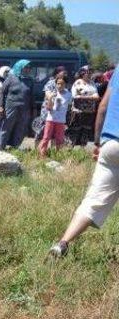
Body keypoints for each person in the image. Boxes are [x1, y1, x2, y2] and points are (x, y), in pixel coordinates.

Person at [49, 69, 119, 257]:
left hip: (110, 144)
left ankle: (62, 243)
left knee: (93, 200)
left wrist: (98, 142)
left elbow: (103, 106)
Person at [0, 59, 33, 150]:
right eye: (26, 67)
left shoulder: (29, 80)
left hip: (24, 108)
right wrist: (1, 106)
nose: (28, 69)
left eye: (29, 68)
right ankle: (0, 147)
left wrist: (34, 108)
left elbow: (31, 96)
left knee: (20, 127)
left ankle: (15, 147)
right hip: (11, 106)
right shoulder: (11, 78)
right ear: (20, 67)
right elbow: (2, 92)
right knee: (7, 126)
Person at [34, 66, 68, 145]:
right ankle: (37, 148)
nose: (65, 74)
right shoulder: (51, 82)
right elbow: (47, 94)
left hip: (58, 111)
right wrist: (54, 96)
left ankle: (52, 150)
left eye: (66, 73)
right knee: (43, 128)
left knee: (55, 130)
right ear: (57, 73)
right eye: (63, 73)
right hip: (48, 110)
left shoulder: (64, 83)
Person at [38, 76, 71, 157]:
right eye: (58, 84)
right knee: (46, 137)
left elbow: (69, 107)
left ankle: (58, 155)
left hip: (61, 120)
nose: (60, 85)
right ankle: (41, 155)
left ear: (65, 84)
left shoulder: (69, 95)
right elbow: (48, 108)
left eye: (62, 84)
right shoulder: (52, 93)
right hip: (50, 119)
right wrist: (50, 98)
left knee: (59, 139)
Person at [67, 66, 100, 146]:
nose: (89, 74)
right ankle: (71, 147)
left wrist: (84, 97)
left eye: (90, 73)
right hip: (78, 112)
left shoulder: (92, 83)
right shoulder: (77, 83)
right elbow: (75, 96)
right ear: (82, 73)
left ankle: (82, 149)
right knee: (75, 130)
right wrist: (90, 97)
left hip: (89, 111)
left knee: (86, 130)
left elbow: (97, 96)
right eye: (87, 72)